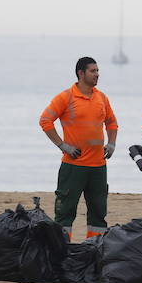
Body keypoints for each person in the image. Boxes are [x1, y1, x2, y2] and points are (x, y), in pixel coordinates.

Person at [40, 57, 118, 241]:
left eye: (98, 70)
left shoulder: (101, 97)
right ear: (81, 73)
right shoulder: (66, 97)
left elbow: (112, 122)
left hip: (98, 166)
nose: (97, 74)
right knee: (65, 212)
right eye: (93, 71)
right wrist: (62, 145)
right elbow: (45, 120)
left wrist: (112, 143)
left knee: (98, 212)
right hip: (74, 165)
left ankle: (95, 247)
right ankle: (63, 249)